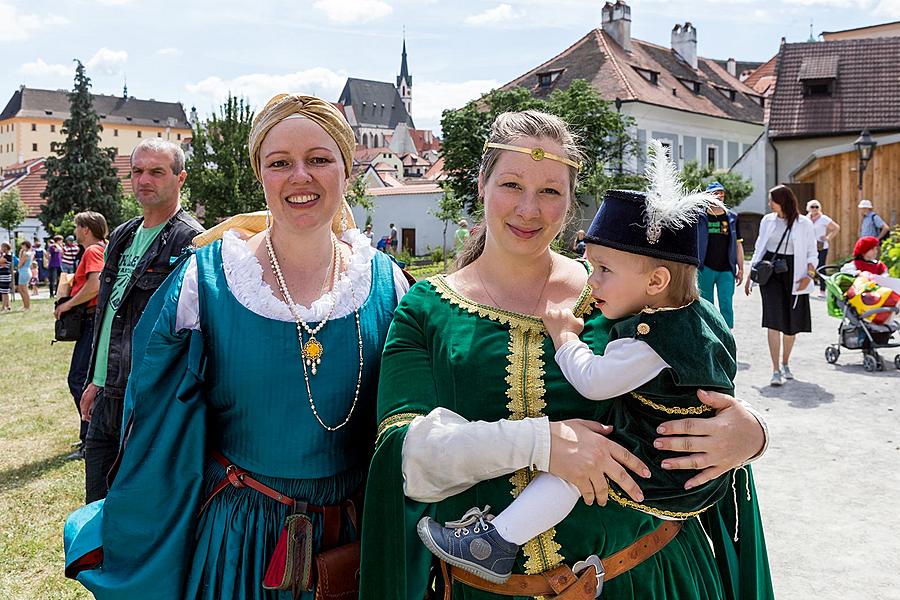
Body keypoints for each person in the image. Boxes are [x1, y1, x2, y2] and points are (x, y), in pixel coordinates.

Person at [361, 111, 773, 600]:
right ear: (481, 184)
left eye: (551, 191)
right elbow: (406, 457)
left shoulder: (632, 290)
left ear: (572, 201)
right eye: (511, 184)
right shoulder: (426, 309)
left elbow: (702, 383)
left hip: (646, 578)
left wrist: (753, 433)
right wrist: (542, 444)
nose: (529, 209)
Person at [64, 93, 410, 599]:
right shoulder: (207, 281)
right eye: (280, 163)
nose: (300, 176)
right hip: (239, 537)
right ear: (260, 175)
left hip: (351, 540)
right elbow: (156, 420)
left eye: (319, 159)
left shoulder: (387, 283)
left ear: (347, 168)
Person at [78, 138, 204, 503]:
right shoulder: (122, 234)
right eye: (137, 171)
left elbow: (192, 336)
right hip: (106, 395)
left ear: (180, 178)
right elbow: (108, 315)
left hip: (148, 403)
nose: (144, 179)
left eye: (156, 171)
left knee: (137, 511)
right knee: (97, 509)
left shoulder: (191, 240)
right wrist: (93, 379)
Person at [745, 185, 817, 387]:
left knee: (791, 324)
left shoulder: (804, 224)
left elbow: (812, 252)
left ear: (782, 201)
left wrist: (809, 275)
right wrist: (751, 274)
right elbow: (760, 247)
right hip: (771, 274)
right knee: (773, 321)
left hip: (796, 272)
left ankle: (785, 363)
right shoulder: (767, 220)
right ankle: (775, 369)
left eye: (772, 200)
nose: (769, 204)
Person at [56, 212, 108, 460]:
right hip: (95, 319)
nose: (75, 231)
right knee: (88, 380)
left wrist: (67, 305)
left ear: (86, 229)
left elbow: (96, 284)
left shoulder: (93, 251)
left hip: (92, 319)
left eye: (77, 227)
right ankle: (90, 435)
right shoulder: (102, 248)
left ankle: (92, 436)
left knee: (79, 379)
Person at [697, 181, 744, 328]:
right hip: (705, 268)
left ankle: (726, 333)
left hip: (726, 269)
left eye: (721, 194)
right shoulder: (700, 217)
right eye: (716, 193)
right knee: (706, 303)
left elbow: (738, 244)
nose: (719, 196)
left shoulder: (732, 217)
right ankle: (710, 333)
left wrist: (741, 268)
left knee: (726, 303)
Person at [807, 200, 840, 295]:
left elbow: (836, 228)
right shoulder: (806, 218)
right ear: (808, 208)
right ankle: (808, 287)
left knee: (821, 267)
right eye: (812, 207)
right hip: (809, 246)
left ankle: (822, 290)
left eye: (816, 207)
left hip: (821, 246)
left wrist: (828, 237)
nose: (814, 209)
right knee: (809, 266)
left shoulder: (823, 218)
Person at [16, 239, 33, 311]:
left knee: (23, 290)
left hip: (24, 272)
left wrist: (20, 255)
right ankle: (25, 305)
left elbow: (20, 264)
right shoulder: (29, 253)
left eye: (22, 246)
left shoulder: (26, 254)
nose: (22, 248)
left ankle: (27, 306)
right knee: (22, 290)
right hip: (25, 272)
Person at [0, 242, 12, 311]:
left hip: (5, 275)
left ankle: (3, 307)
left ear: (5, 248)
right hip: (3, 275)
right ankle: (8, 305)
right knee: (5, 291)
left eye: (2, 247)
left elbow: (1, 261)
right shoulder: (4, 255)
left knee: (4, 292)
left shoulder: (7, 256)